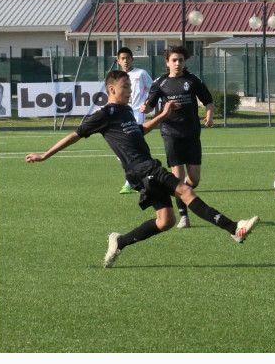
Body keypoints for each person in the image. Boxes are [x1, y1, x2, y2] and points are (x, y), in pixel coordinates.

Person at [26, 70, 259, 268]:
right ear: (112, 89)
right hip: (142, 168)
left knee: (165, 221)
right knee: (187, 193)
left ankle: (119, 242)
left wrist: (162, 116)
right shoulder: (104, 114)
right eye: (125, 87)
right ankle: (233, 228)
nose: (130, 91)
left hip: (144, 169)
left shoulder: (126, 111)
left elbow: (139, 131)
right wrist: (45, 155)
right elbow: (74, 135)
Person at [140, 45, 214, 229]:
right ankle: (183, 216)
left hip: (191, 132)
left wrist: (209, 116)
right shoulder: (160, 83)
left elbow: (208, 101)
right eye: (174, 60)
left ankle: (183, 192)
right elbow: (150, 105)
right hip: (170, 133)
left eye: (180, 60)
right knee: (178, 177)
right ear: (167, 62)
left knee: (194, 179)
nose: (178, 63)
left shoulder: (193, 80)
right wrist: (145, 108)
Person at [116, 47, 154, 194]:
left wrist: (149, 104)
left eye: (128, 58)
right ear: (118, 61)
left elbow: (153, 90)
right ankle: (140, 179)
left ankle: (130, 182)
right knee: (121, 151)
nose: (125, 61)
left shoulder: (141, 74)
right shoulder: (116, 77)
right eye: (122, 58)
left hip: (138, 114)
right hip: (121, 115)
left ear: (132, 59)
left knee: (134, 147)